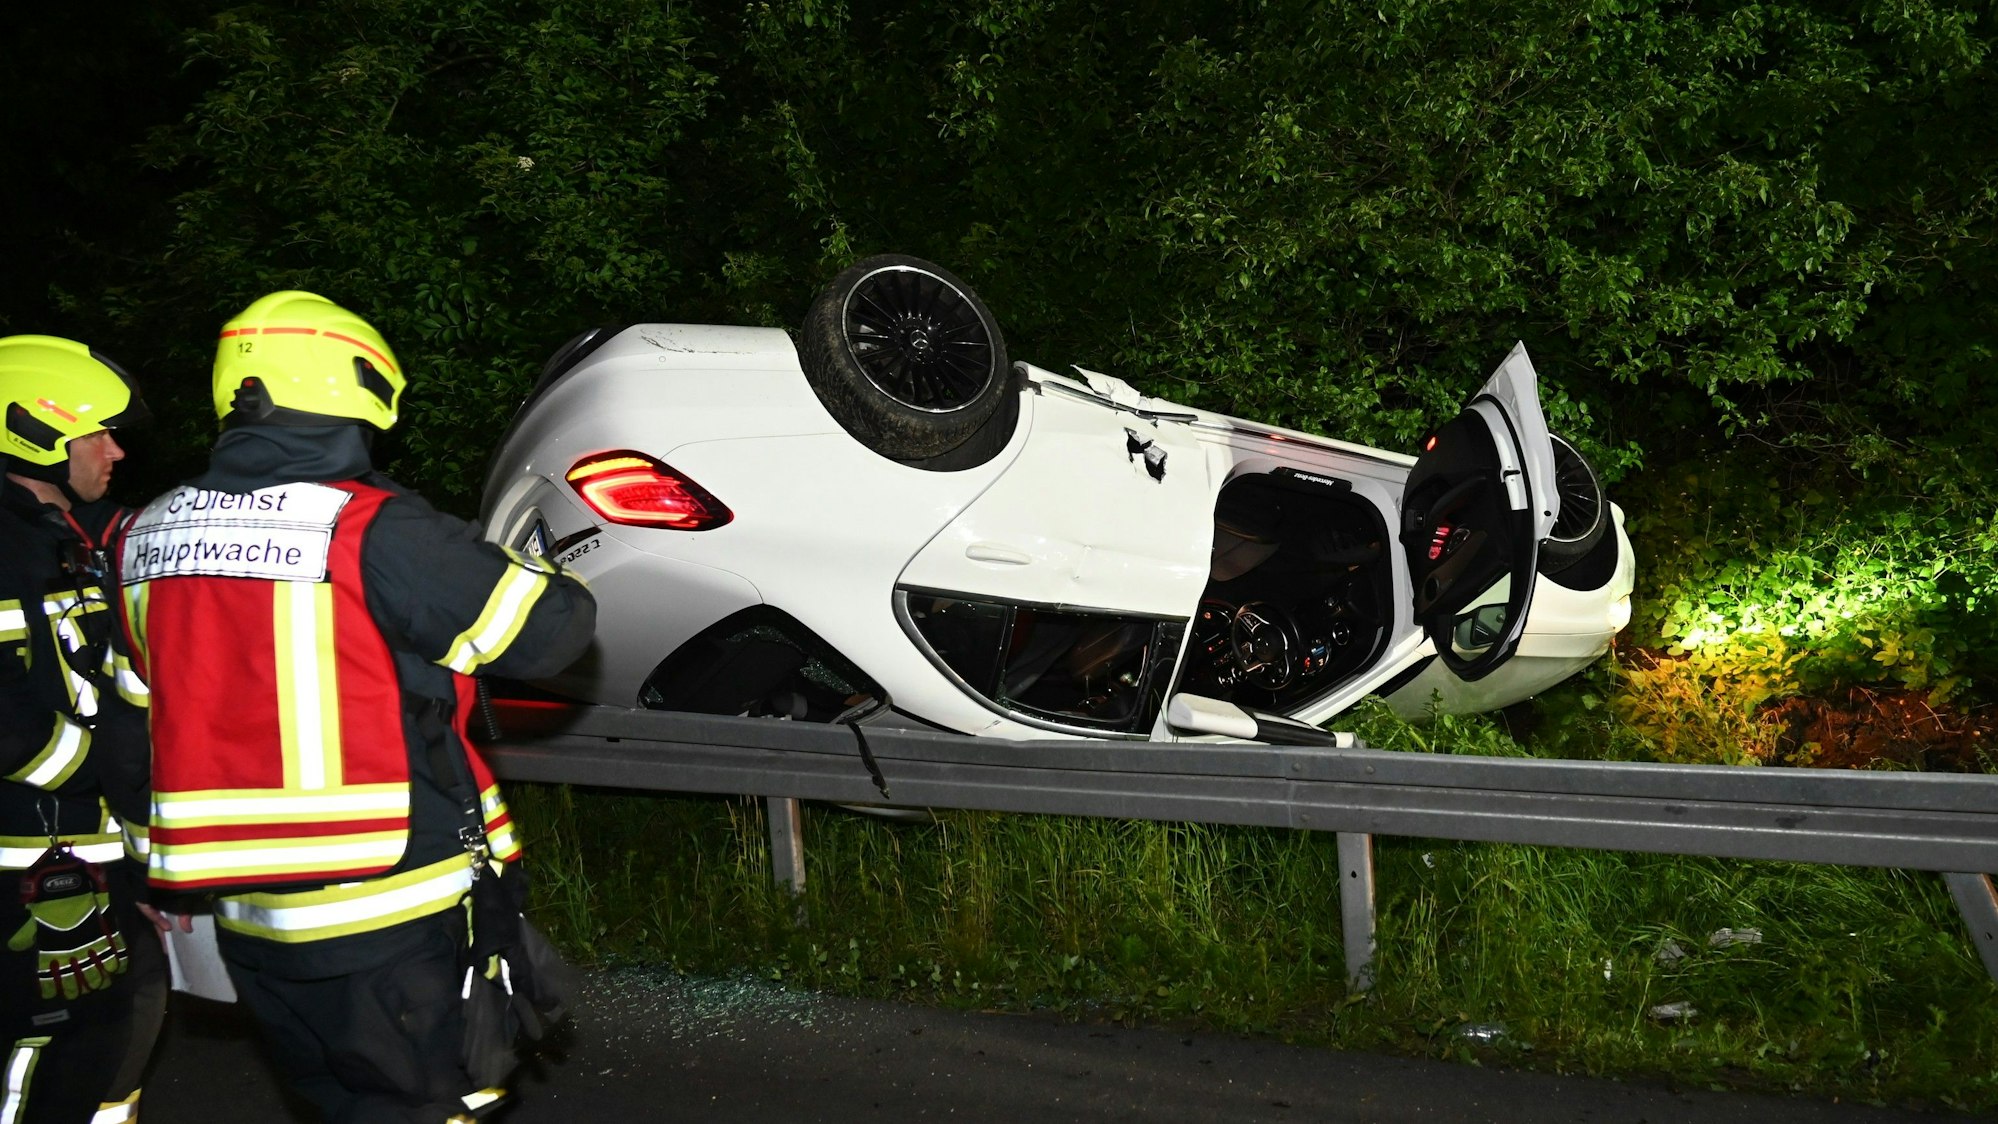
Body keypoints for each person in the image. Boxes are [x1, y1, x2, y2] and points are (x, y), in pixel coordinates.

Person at [114, 292, 596, 1123]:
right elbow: (551, 633)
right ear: (353, 384)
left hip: (247, 917)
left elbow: (133, 723)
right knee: (426, 1104)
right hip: (387, 907)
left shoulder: (142, 535)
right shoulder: (371, 530)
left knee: (338, 1105)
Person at [0, 335, 166, 1124]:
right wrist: (97, 766)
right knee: (33, 1060)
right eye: (97, 432)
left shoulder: (67, 539)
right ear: (34, 431)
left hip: (88, 851)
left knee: (105, 1040)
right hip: (27, 862)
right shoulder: (8, 551)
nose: (116, 450)